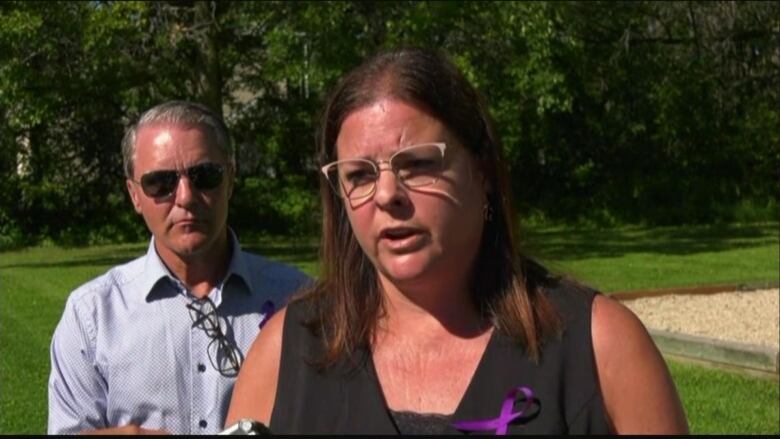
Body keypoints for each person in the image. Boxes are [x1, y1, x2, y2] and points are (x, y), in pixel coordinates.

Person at [225, 48, 689, 434]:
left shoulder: (599, 346)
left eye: (418, 164)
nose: (388, 195)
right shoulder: (286, 350)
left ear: (482, 170)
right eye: (360, 175)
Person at [47, 101, 310, 434]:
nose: (185, 197)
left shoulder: (300, 299)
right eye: (161, 183)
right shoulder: (92, 317)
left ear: (230, 179)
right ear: (134, 195)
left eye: (205, 176)